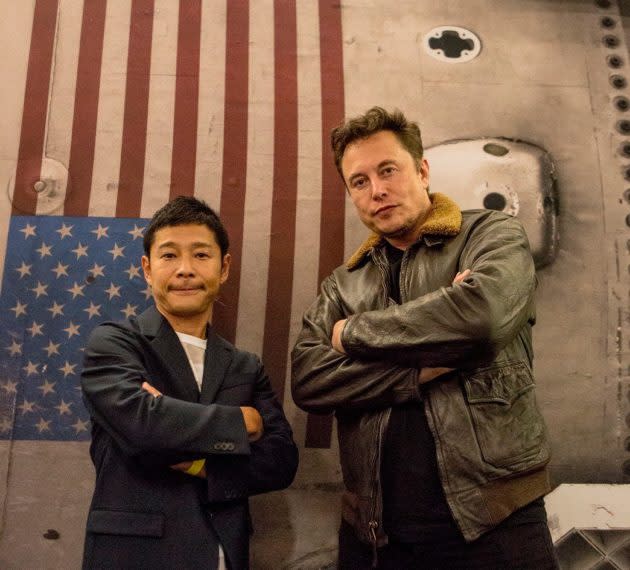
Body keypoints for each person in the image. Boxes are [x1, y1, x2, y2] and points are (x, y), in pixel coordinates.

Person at [291, 107, 557, 569]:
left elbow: (482, 317)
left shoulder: (489, 233)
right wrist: (420, 369)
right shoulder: (343, 284)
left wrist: (351, 334)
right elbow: (309, 381)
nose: (377, 190)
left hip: (493, 521)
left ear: (422, 170)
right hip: (375, 535)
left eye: (388, 170)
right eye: (359, 181)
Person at [81, 196, 298, 570]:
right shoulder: (114, 343)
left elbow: (281, 462)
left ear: (224, 267)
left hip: (223, 555)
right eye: (169, 256)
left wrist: (196, 459)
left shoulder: (245, 366)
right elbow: (143, 428)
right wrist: (241, 423)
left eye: (201, 255)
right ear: (148, 269)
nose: (185, 269)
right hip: (134, 555)